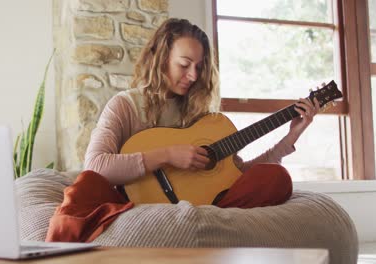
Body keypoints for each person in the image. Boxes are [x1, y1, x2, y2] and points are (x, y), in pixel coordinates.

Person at [46, 18, 320, 243]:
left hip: (205, 205)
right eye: (184, 64)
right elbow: (95, 166)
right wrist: (167, 155)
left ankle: (197, 224)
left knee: (276, 178)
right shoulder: (124, 106)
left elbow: (236, 177)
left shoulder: (206, 119)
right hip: (133, 203)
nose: (193, 76)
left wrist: (290, 137)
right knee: (82, 189)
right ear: (161, 58)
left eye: (200, 68)